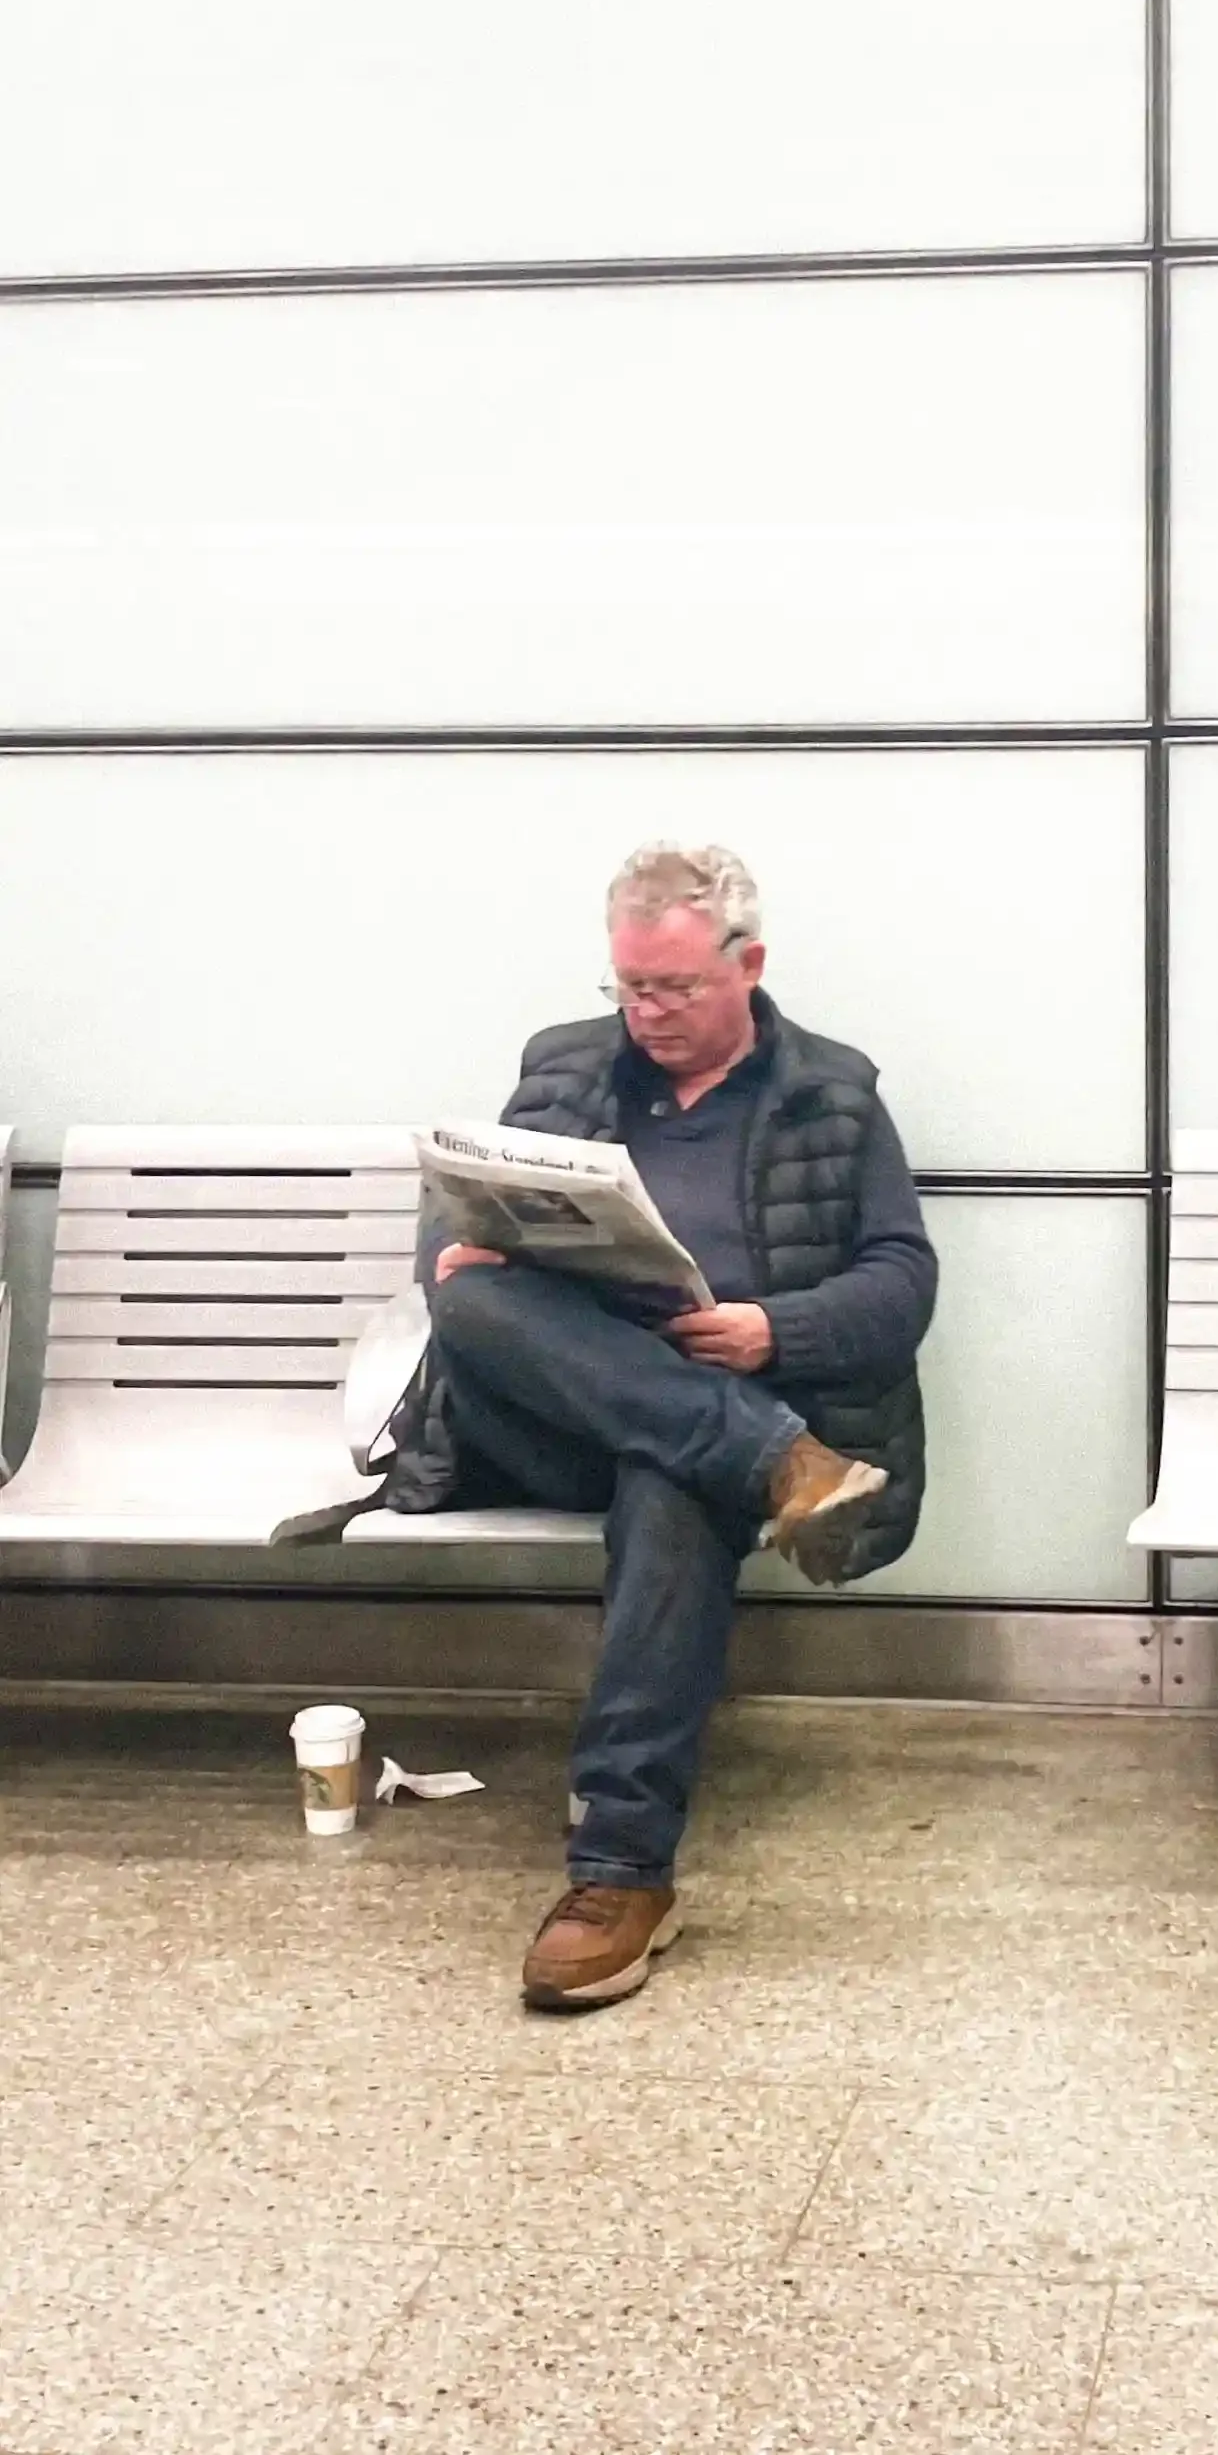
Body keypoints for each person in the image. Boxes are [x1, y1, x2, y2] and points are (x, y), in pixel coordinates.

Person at [387, 841, 937, 2012]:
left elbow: (902, 1282)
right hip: (544, 1417)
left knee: (673, 1482)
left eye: (676, 987)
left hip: (691, 1414)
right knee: (480, 1294)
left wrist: (769, 1332)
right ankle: (776, 1458)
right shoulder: (563, 1068)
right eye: (629, 986)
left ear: (749, 964)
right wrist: (466, 1244)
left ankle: (620, 1872)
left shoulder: (830, 1093)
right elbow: (461, 1233)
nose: (648, 1012)